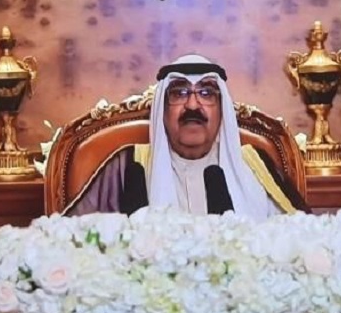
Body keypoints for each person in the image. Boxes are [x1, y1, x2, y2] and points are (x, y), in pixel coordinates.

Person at [63, 53, 308, 219]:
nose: (192, 105)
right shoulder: (128, 165)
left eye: (206, 93)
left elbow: (300, 241)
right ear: (162, 110)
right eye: (179, 93)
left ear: (222, 109)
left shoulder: (255, 165)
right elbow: (73, 244)